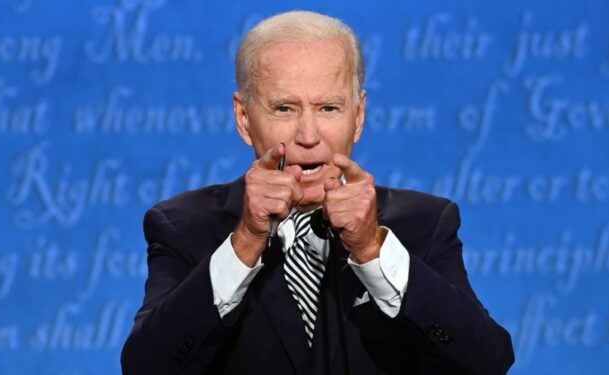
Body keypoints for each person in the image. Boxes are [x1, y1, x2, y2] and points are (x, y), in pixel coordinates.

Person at [121, 10, 514, 375]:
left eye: (328, 108)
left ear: (358, 117)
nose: (308, 137)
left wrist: (373, 251)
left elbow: (487, 362)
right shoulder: (183, 227)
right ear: (244, 118)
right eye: (284, 109)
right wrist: (245, 243)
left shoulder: (425, 224)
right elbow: (145, 367)